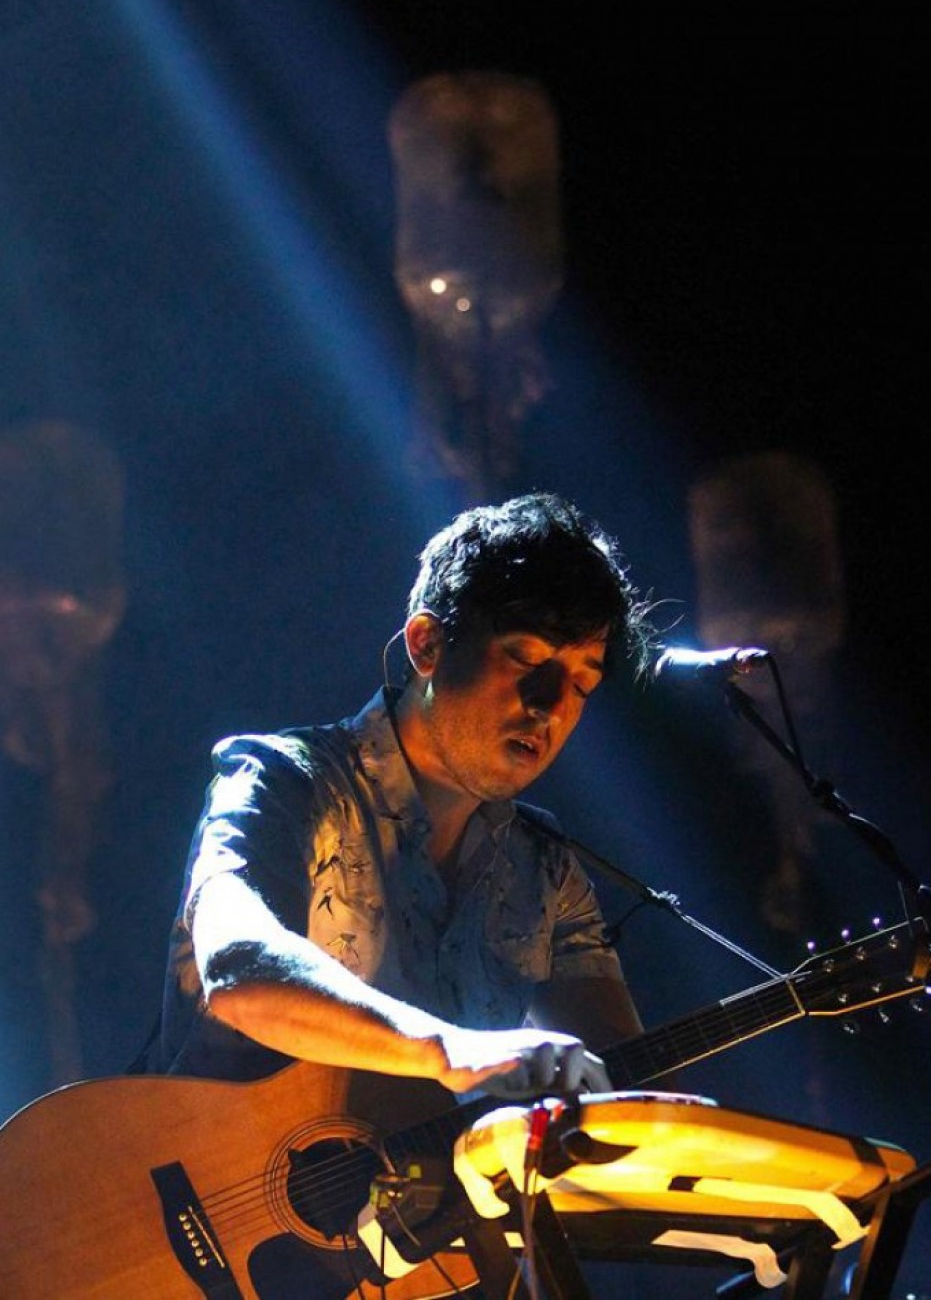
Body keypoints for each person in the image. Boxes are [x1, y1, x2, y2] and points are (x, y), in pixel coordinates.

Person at [155, 491, 653, 1295]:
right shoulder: (285, 778)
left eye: (583, 683)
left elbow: (620, 1093)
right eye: (528, 660)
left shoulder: (550, 869)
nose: (552, 707)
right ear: (426, 643)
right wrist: (453, 1050)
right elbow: (239, 969)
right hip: (176, 1236)